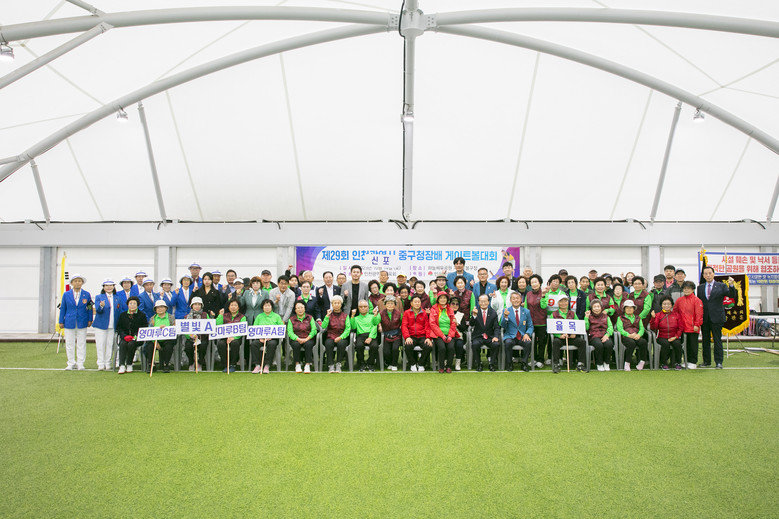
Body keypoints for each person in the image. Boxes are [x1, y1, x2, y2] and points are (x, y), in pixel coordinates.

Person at [697, 267, 737, 369]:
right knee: (705, 341)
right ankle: (706, 361)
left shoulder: (721, 286)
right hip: (705, 318)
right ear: (703, 275)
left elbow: (732, 295)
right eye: (706, 273)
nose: (708, 275)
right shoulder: (700, 287)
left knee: (717, 340)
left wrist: (731, 285)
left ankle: (719, 362)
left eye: (710, 273)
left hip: (717, 317)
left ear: (714, 274)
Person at [58, 273, 92, 370]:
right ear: (72, 283)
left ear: (82, 283)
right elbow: (63, 308)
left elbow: (89, 307)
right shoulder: (66, 294)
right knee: (69, 343)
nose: (77, 283)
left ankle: (80, 363)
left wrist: (90, 319)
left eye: (79, 281)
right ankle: (71, 362)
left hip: (82, 321)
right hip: (69, 321)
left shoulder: (87, 294)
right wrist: (61, 321)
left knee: (81, 343)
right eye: (75, 281)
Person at [550, 295, 585, 373]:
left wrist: (574, 333)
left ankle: (580, 364)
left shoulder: (572, 314)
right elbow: (551, 328)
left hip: (571, 337)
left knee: (582, 342)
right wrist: (559, 335)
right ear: (558, 303)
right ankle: (556, 364)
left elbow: (577, 325)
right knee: (555, 342)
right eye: (561, 301)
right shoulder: (554, 314)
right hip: (561, 338)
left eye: (565, 301)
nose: (563, 303)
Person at [501, 291, 533, 372]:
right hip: (510, 336)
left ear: (521, 299)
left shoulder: (526, 311)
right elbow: (503, 326)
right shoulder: (506, 311)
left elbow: (530, 326)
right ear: (510, 300)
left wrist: (527, 334)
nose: (516, 300)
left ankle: (524, 363)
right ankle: (509, 363)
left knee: (528, 342)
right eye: (513, 298)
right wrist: (505, 317)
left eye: (517, 298)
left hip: (522, 336)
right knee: (508, 343)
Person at [249, 299, 284, 374]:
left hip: (272, 338)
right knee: (254, 344)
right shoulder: (259, 316)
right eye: (265, 306)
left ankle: (267, 365)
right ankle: (257, 365)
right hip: (260, 338)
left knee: (272, 344)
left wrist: (272, 337)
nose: (267, 307)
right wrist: (260, 338)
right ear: (262, 307)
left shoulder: (276, 316)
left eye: (269, 306)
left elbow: (281, 329)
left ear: (272, 307)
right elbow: (254, 328)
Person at [674, 281, 703, 369]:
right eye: (685, 288)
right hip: (682, 327)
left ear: (692, 290)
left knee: (693, 345)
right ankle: (686, 360)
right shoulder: (679, 300)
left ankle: (693, 362)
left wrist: (697, 324)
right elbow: (675, 312)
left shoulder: (697, 300)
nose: (686, 290)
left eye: (688, 288)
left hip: (692, 327)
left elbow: (699, 314)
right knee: (684, 345)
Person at [650, 296, 684, 370]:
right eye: (664, 304)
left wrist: (676, 336)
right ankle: (663, 363)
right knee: (665, 344)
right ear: (661, 305)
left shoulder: (676, 315)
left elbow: (680, 327)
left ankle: (678, 362)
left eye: (668, 304)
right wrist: (653, 318)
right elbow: (654, 327)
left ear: (671, 305)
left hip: (674, 336)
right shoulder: (658, 315)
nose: (666, 306)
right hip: (662, 336)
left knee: (678, 344)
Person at [429, 292, 459, 373]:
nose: (443, 300)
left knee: (451, 347)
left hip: (449, 334)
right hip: (438, 335)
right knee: (442, 348)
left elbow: (453, 323)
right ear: (438, 299)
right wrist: (442, 335)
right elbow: (432, 324)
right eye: (441, 298)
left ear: (447, 300)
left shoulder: (450, 310)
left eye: (444, 298)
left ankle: (449, 366)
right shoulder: (433, 309)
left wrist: (450, 335)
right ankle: (441, 366)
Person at [93, 279, 120, 371]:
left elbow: (119, 311)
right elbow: (98, 310)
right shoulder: (99, 297)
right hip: (101, 325)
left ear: (113, 287)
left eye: (111, 285)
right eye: (107, 286)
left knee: (110, 344)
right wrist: (101, 306)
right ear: (103, 287)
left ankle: (108, 362)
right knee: (100, 344)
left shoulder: (117, 298)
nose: (109, 287)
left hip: (112, 325)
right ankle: (100, 363)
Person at [401, 295, 432, 372]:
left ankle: (421, 364)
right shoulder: (407, 313)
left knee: (428, 346)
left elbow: (427, 326)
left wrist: (428, 338)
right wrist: (407, 337)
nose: (417, 303)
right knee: (408, 346)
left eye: (418, 302)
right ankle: (412, 364)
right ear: (411, 303)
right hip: (411, 336)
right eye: (415, 302)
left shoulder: (424, 313)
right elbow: (404, 326)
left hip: (422, 336)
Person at [116, 296, 146, 374]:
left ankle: (129, 364)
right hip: (125, 337)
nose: (132, 305)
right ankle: (122, 365)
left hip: (137, 338)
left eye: (134, 303)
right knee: (122, 343)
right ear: (128, 305)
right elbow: (119, 328)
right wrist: (124, 336)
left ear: (137, 305)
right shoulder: (123, 315)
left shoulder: (142, 315)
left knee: (131, 344)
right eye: (130, 303)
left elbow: (143, 327)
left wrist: (135, 336)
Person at [321, 295, 351, 373]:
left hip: (342, 337)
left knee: (341, 343)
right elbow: (323, 326)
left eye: (338, 303)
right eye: (335, 303)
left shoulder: (345, 316)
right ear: (332, 304)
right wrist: (327, 316)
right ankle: (330, 365)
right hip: (330, 336)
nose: (337, 305)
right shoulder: (329, 315)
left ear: (341, 304)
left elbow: (348, 329)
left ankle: (338, 364)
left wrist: (341, 337)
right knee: (328, 343)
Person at [470, 294, 501, 372]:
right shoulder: (475, 311)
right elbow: (471, 324)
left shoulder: (493, 313)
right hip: (478, 336)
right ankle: (479, 364)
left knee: (496, 344)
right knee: (475, 344)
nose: (483, 303)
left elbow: (496, 327)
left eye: (485, 301)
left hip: (490, 336)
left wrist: (496, 336)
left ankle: (492, 364)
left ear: (488, 302)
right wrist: (474, 316)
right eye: (481, 301)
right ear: (478, 302)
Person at [145, 300, 176, 373]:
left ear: (165, 308)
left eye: (162, 307)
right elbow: (150, 332)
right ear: (155, 309)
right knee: (148, 346)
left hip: (167, 339)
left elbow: (174, 329)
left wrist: (166, 328)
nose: (160, 309)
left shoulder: (171, 317)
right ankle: (151, 364)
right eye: (158, 307)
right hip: (155, 340)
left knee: (169, 346)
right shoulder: (152, 319)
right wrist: (155, 342)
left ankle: (166, 364)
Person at [215, 299, 246, 373]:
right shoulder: (225, 316)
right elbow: (217, 325)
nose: (233, 307)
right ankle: (225, 364)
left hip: (236, 338)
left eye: (235, 305)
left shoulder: (242, 317)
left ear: (238, 307)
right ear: (228, 307)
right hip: (225, 337)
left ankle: (233, 364)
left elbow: (242, 330)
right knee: (221, 344)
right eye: (231, 305)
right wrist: (220, 315)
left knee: (235, 343)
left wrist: (234, 337)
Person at [616, 300, 648, 371]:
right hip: (626, 337)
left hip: (636, 336)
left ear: (634, 309)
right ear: (624, 309)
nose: (629, 309)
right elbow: (620, 329)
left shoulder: (638, 318)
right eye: (627, 308)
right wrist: (628, 335)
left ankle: (642, 361)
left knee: (643, 342)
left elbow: (642, 328)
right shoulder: (620, 318)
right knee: (631, 343)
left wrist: (639, 335)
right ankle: (627, 362)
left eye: (631, 308)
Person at [524, 274, 548, 369]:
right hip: (530, 323)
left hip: (541, 322)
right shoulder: (528, 294)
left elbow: (543, 306)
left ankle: (540, 360)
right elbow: (526, 308)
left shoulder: (544, 293)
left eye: (536, 282)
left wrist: (543, 296)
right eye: (532, 282)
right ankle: (533, 359)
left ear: (540, 283)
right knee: (532, 342)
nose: (534, 284)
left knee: (541, 342)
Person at [287, 300, 316, 373]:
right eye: (298, 308)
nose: (300, 309)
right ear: (295, 310)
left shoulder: (310, 318)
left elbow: (314, 330)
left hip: (308, 338)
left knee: (308, 344)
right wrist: (297, 339)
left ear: (305, 308)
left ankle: (307, 364)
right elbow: (290, 332)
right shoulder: (291, 319)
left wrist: (307, 338)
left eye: (302, 307)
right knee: (296, 345)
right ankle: (297, 364)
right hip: (296, 339)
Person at [585, 299, 614, 371]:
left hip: (604, 335)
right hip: (593, 336)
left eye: (598, 306)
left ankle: (606, 363)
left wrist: (607, 335)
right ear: (591, 308)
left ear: (601, 308)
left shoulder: (606, 316)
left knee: (609, 344)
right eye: (594, 307)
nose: (596, 308)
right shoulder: (589, 316)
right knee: (599, 345)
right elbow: (586, 328)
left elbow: (610, 327)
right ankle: (599, 363)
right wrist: (586, 318)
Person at [352, 300, 380, 371]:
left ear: (368, 308)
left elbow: (374, 326)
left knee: (375, 346)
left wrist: (370, 337)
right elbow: (353, 327)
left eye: (365, 306)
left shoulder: (372, 316)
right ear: (358, 308)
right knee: (358, 346)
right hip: (360, 335)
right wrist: (352, 316)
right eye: (361, 307)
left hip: (371, 335)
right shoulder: (356, 318)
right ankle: (361, 363)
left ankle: (370, 363)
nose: (363, 308)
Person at [183, 296, 209, 372]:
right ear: (192, 306)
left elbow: (209, 326)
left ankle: (200, 363)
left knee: (203, 346)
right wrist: (190, 335)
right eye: (195, 304)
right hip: (191, 338)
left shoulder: (205, 315)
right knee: (188, 346)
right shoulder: (187, 316)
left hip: (202, 337)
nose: (197, 306)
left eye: (199, 304)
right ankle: (191, 363)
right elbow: (185, 329)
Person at [379, 294, 403, 371]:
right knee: (386, 351)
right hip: (386, 335)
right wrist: (379, 325)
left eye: (392, 303)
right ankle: (389, 363)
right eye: (388, 303)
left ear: (395, 305)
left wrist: (401, 326)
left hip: (397, 334)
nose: (390, 305)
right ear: (385, 304)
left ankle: (394, 364)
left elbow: (403, 322)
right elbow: (376, 321)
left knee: (395, 349)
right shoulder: (381, 313)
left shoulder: (398, 313)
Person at [448, 296, 468, 371]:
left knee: (459, 344)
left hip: (458, 336)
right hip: (447, 335)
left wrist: (457, 324)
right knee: (446, 344)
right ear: (449, 305)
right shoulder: (445, 313)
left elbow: (464, 329)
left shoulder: (461, 315)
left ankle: (458, 363)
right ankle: (446, 363)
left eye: (457, 304)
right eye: (453, 304)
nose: (455, 306)